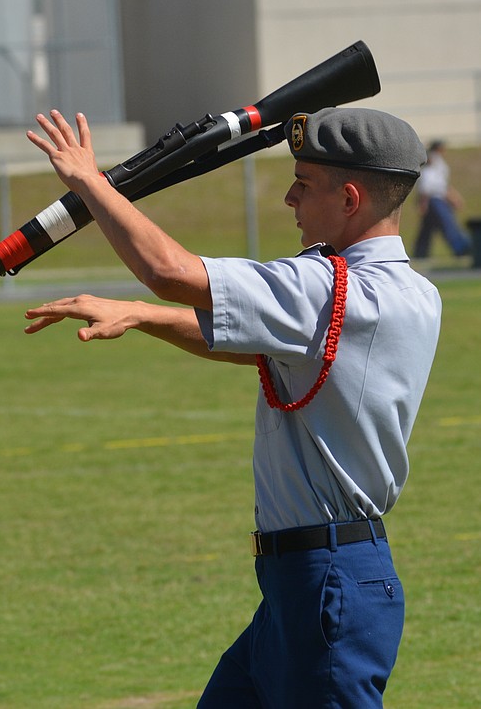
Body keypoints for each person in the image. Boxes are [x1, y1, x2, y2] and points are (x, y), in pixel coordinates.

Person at [23, 106, 441, 707]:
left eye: (304, 183)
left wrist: (91, 182)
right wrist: (140, 314)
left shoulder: (332, 290)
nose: (289, 198)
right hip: (305, 584)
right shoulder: (404, 293)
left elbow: (170, 272)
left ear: (350, 198)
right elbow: (265, 347)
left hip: (327, 584)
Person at [412, 139, 471, 258]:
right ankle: (460, 248)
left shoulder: (437, 161)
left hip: (436, 197)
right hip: (434, 199)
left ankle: (420, 252)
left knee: (427, 228)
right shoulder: (433, 160)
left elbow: (442, 183)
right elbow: (431, 184)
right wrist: (423, 202)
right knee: (447, 223)